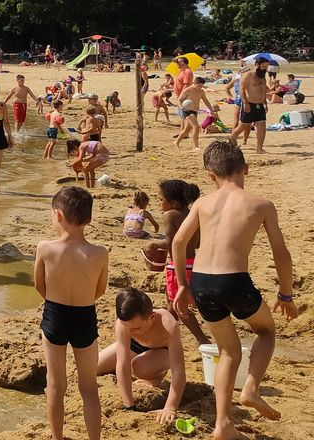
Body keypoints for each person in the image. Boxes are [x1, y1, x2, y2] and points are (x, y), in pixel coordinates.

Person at [172, 141, 297, 439]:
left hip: (201, 281)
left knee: (228, 350)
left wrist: (182, 285)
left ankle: (223, 424)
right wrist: (285, 293)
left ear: (209, 175)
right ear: (246, 169)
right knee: (265, 331)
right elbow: (281, 252)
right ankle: (251, 389)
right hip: (233, 280)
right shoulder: (261, 204)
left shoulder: (202, 202)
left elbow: (178, 243)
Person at [35, 186, 108, 440]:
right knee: (89, 387)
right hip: (85, 315)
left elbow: (39, 284)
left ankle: (56, 437)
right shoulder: (99, 253)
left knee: (55, 384)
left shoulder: (45, 248)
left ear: (57, 216)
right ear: (88, 219)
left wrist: (56, 299)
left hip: (55, 314)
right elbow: (100, 289)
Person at [95, 288, 187, 426]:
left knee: (138, 367)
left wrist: (170, 408)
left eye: (135, 328)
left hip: (162, 350)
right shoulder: (124, 324)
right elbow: (122, 362)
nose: (130, 330)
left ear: (151, 317)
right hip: (136, 344)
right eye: (128, 327)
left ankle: (156, 376)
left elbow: (178, 369)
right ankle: (142, 364)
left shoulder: (167, 323)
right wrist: (128, 404)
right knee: (94, 366)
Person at [146, 180, 209, 345]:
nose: (160, 203)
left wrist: (153, 243)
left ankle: (202, 339)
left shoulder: (170, 215)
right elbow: (198, 243)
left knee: (179, 306)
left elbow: (171, 243)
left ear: (173, 202)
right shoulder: (192, 213)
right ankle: (160, 336)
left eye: (161, 200)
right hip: (193, 264)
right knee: (171, 303)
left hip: (177, 266)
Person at [228, 58, 269, 153]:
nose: (265, 69)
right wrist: (245, 103)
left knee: (262, 125)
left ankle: (259, 148)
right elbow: (242, 89)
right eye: (264, 66)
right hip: (249, 104)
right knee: (243, 126)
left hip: (260, 105)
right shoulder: (248, 75)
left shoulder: (262, 77)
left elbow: (263, 91)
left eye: (266, 67)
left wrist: (265, 104)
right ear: (257, 65)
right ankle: (231, 140)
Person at [174, 77, 214, 150]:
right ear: (194, 83)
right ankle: (196, 146)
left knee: (187, 129)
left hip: (194, 110)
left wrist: (211, 110)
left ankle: (176, 142)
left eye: (201, 86)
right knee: (196, 127)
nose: (200, 88)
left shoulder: (201, 91)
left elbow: (206, 101)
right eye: (199, 86)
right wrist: (181, 107)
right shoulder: (188, 90)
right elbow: (179, 100)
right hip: (186, 110)